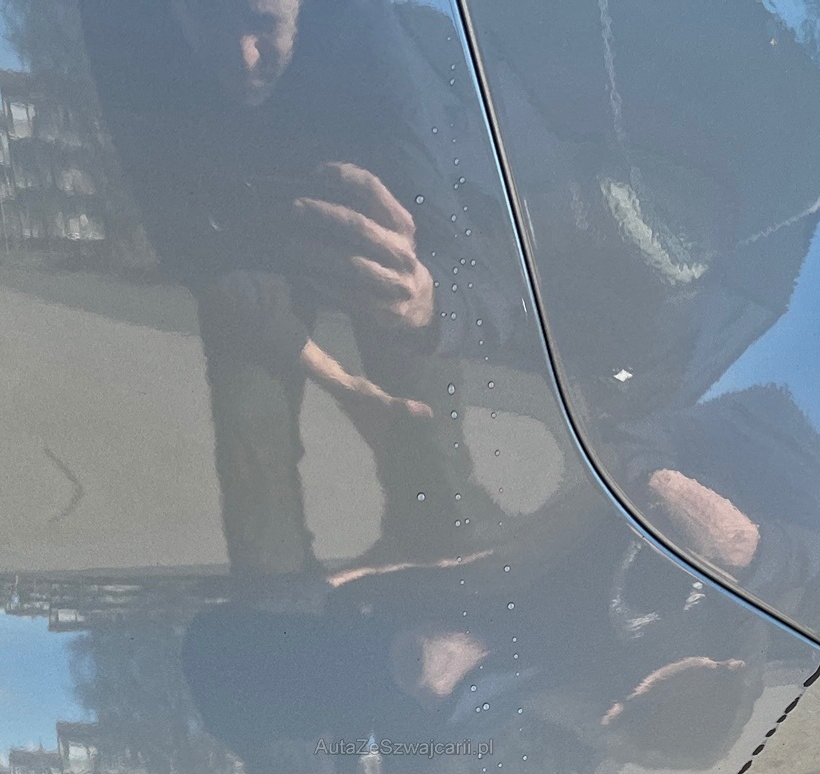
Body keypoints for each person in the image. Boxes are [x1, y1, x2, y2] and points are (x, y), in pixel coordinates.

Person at [82, 0, 523, 576]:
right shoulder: (117, 24)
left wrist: (426, 300)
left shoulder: (370, 32)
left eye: (262, 22)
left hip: (363, 209)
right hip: (230, 234)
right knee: (250, 407)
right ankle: (275, 597)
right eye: (209, 17)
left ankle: (446, 547)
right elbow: (188, 244)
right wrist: (344, 384)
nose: (242, 57)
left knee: (398, 305)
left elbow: (470, 266)